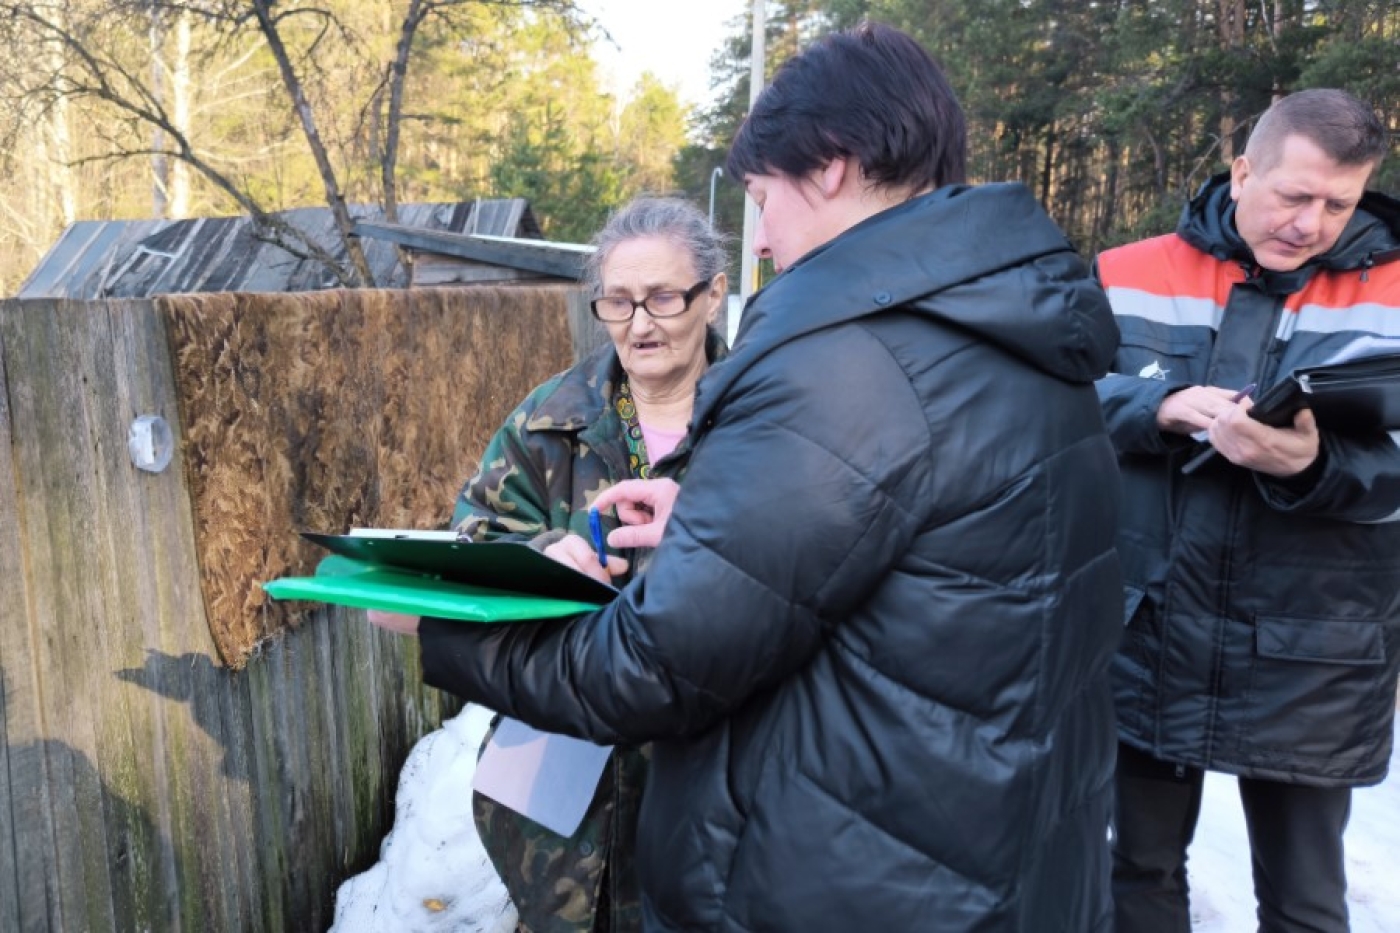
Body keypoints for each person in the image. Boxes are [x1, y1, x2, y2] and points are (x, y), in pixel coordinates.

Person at [378, 22, 1123, 931]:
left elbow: (653, 666)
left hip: (857, 873)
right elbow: (926, 550)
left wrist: (440, 623)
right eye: (617, 300)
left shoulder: (844, 365)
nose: (766, 238)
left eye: (764, 198)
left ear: (833, 165)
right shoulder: (1013, 328)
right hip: (970, 849)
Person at [374, 195, 729, 933]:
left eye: (663, 297)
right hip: (558, 789)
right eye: (619, 301)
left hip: (709, 782)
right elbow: (470, 536)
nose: (639, 323)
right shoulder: (552, 419)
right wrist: (537, 555)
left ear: (714, 292)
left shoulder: (762, 417)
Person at [1094, 88, 1400, 933]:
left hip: (1317, 650)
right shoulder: (1128, 270)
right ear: (1242, 171)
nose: (1312, 222)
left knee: (1306, 901)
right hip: (1149, 634)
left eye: (1338, 203)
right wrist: (1150, 409)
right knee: (1138, 875)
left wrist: (1315, 465)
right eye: (1293, 195)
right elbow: (1056, 401)